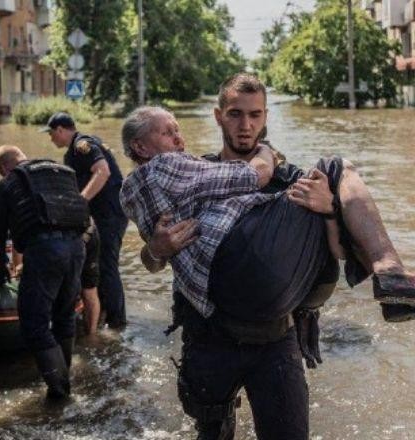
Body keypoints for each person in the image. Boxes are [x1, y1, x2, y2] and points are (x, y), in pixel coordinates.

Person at [120, 76, 415, 439]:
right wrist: (155, 249)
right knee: (212, 432)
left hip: (275, 338)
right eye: (235, 114)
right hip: (208, 334)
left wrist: (328, 210)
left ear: (265, 118)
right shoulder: (194, 171)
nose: (245, 126)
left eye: (255, 115)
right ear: (218, 116)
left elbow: (336, 255)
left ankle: (391, 275)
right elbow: (153, 262)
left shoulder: (292, 180)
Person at [0, 145, 88, 399]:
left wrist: (1, 272)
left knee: (34, 324)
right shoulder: (58, 173)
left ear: (3, 168)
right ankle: (66, 382)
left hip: (45, 249)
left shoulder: (8, 182)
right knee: (65, 316)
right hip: (78, 246)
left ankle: (60, 392)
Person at [42, 113, 128, 328]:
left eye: (51, 133)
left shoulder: (83, 145)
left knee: (107, 266)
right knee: (99, 264)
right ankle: (103, 313)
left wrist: (80, 202)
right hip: (101, 214)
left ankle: (117, 322)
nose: (51, 138)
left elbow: (102, 171)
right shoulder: (72, 153)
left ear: (61, 130)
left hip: (110, 214)